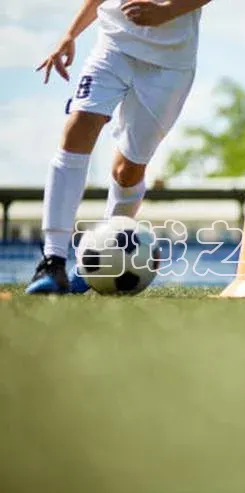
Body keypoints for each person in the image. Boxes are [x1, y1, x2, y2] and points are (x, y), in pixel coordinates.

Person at [27, 0, 212, 295]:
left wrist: (167, 11)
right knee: (78, 127)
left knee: (128, 170)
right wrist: (70, 34)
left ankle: (96, 265)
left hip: (170, 63)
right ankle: (53, 261)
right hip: (113, 45)